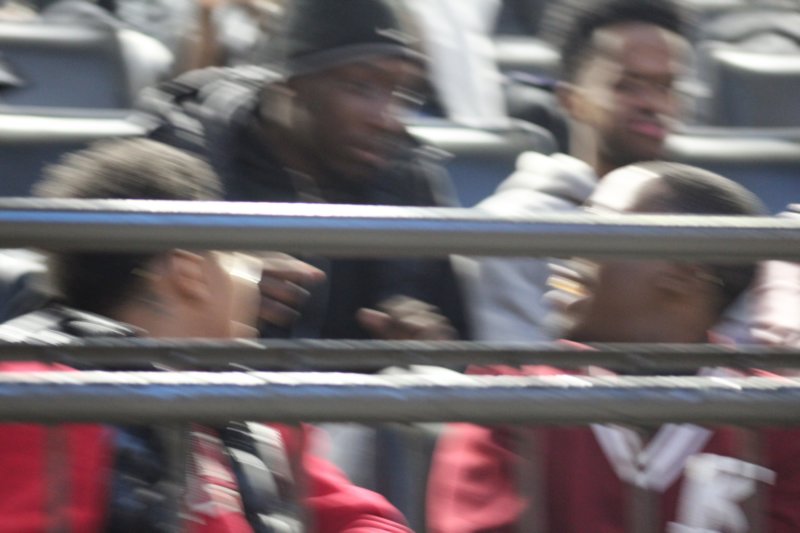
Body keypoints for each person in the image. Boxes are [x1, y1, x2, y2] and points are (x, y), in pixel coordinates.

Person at [0, 138, 412, 532]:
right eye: (237, 255)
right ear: (190, 272)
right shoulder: (42, 394)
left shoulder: (255, 411)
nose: (253, 279)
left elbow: (362, 519)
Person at [427, 162, 800, 533]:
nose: (567, 246)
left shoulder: (780, 418)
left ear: (684, 273)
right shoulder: (507, 391)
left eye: (599, 225)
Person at [135, 0, 468, 342]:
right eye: (360, 86)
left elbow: (460, 347)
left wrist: (424, 351)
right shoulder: (182, 157)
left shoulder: (408, 178)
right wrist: (217, 285)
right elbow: (119, 318)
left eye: (403, 92)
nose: (388, 119)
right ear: (286, 85)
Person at [462, 0, 691, 342]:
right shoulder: (511, 228)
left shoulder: (701, 220)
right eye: (626, 85)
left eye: (665, 87)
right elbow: (517, 363)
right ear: (571, 100)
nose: (652, 104)